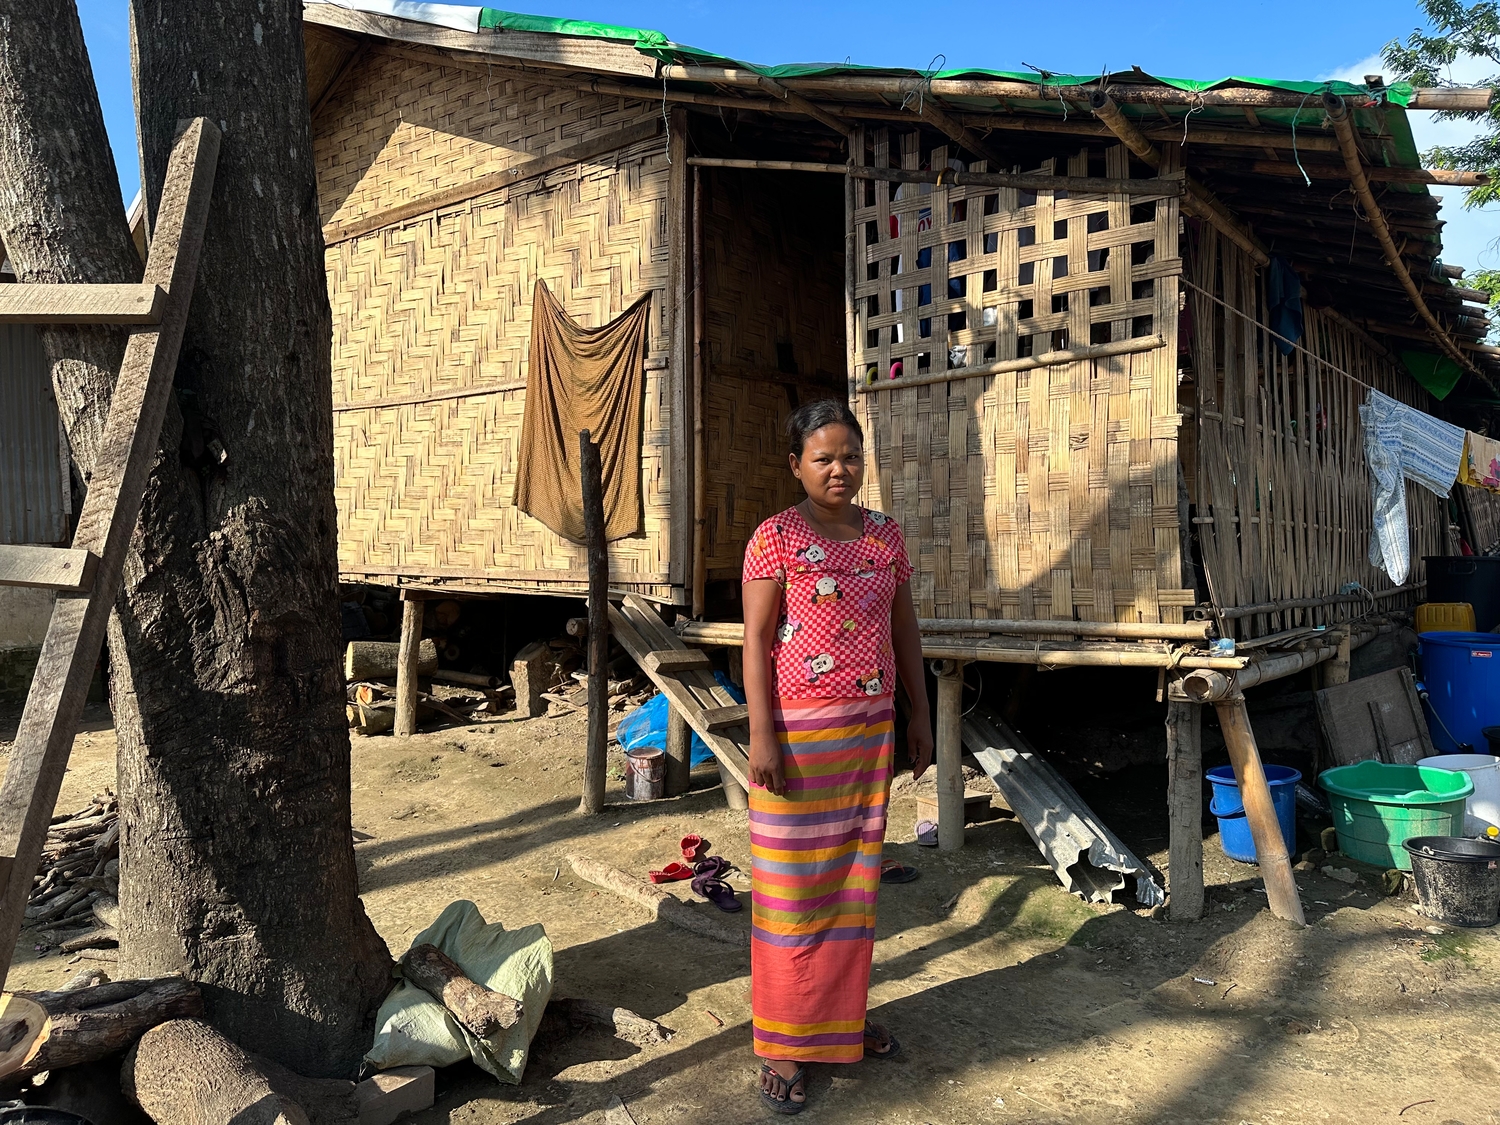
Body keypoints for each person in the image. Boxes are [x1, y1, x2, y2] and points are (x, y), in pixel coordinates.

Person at [741, 399, 934, 1115]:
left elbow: (904, 629)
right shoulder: (776, 538)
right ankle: (786, 1043)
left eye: (849, 455)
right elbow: (755, 643)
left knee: (853, 887)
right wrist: (762, 734)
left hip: (869, 731)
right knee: (794, 891)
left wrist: (918, 717)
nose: (839, 469)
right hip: (796, 736)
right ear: (795, 464)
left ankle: (838, 1023)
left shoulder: (885, 536)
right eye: (823, 457)